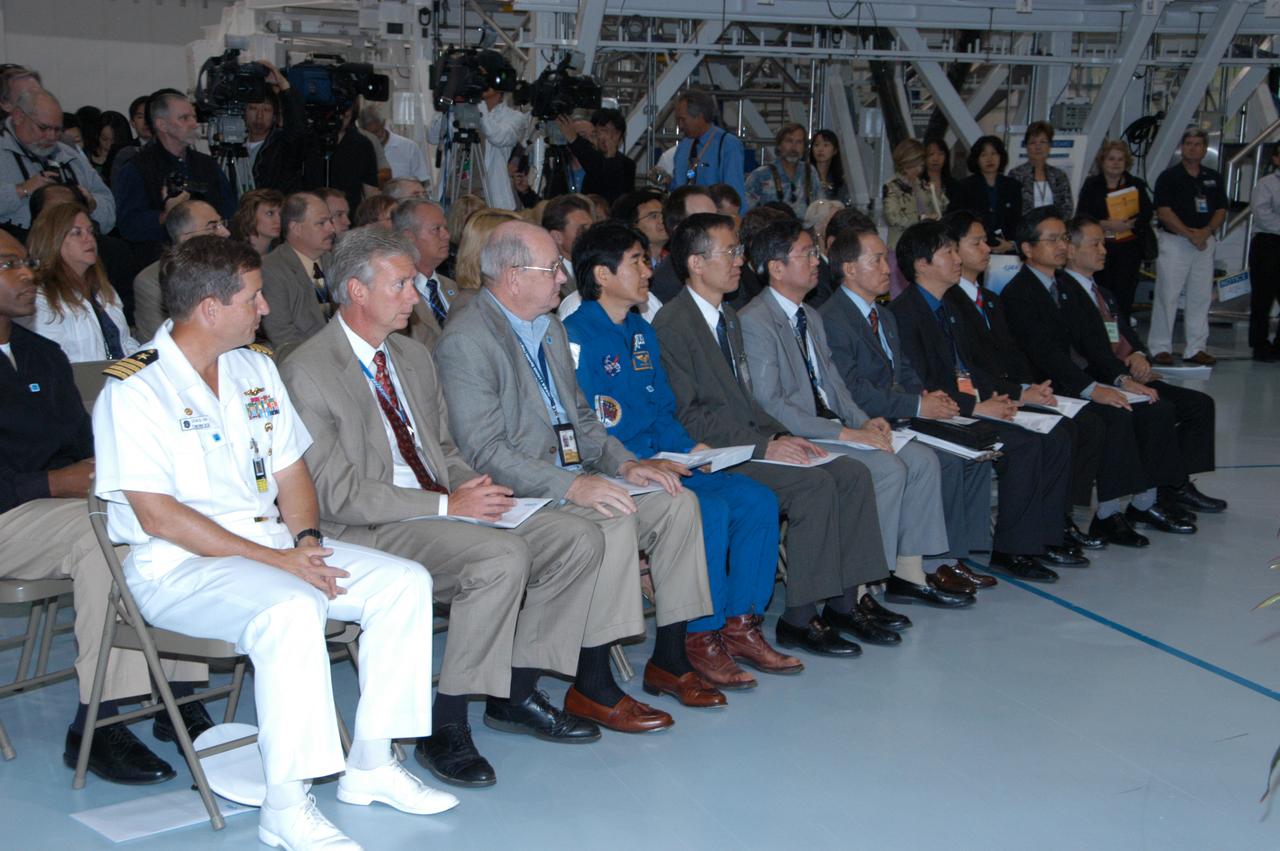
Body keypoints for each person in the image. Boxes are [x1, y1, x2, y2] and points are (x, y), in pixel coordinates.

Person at [92, 236, 458, 850]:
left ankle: (371, 764)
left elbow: (291, 472)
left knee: (403, 583)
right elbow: (158, 516)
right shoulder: (135, 390)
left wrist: (308, 542)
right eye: (254, 296)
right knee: (292, 608)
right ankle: (286, 805)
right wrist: (282, 562)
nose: (266, 308)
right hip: (180, 571)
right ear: (210, 308)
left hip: (273, 548)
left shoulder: (254, 368)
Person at [280, 227, 604, 787]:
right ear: (357, 292)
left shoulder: (410, 356)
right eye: (401, 284)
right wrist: (447, 504)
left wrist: (476, 491)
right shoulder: (307, 369)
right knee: (499, 558)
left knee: (576, 537)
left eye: (411, 282)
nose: (415, 295)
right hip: (366, 527)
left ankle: (515, 690)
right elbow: (335, 492)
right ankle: (445, 724)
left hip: (436, 509)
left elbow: (444, 451)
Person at [435, 220, 722, 731]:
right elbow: (484, 450)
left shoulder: (547, 327)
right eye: (551, 269)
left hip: (574, 471)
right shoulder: (468, 339)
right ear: (511, 276)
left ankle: (670, 658)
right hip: (524, 489)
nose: (563, 279)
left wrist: (625, 463)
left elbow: (583, 420)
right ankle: (592, 684)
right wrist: (572, 485)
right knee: (609, 520)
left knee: (676, 500)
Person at [0, 228, 211, 787]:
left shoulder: (39, 353)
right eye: (7, 265)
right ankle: (99, 720)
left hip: (54, 506)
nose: (26, 274)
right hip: (14, 512)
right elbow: (56, 473)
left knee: (158, 516)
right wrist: (49, 483)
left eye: (24, 261)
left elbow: (81, 444)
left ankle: (177, 691)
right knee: (103, 536)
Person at [565, 221, 801, 687]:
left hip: (667, 457)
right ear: (602, 275)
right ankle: (699, 634)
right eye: (635, 260)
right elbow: (582, 426)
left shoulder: (641, 332)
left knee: (756, 500)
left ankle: (741, 624)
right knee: (705, 510)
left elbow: (662, 408)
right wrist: (636, 462)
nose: (649, 269)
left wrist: (694, 448)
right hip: (616, 467)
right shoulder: (575, 336)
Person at [653, 212, 891, 656]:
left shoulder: (726, 316)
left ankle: (846, 603)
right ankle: (800, 617)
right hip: (718, 451)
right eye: (729, 251)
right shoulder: (673, 325)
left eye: (739, 250)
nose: (740, 261)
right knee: (814, 485)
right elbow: (690, 415)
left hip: (749, 438)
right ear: (696, 263)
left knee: (851, 473)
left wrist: (781, 434)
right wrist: (766, 445)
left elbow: (750, 402)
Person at [739, 219, 968, 616]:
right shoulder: (755, 321)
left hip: (832, 425)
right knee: (886, 468)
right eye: (807, 254)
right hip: (798, 434)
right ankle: (856, 588)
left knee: (922, 460)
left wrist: (864, 422)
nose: (816, 261)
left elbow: (835, 387)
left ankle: (907, 574)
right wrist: (844, 433)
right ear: (776, 268)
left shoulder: (808, 315)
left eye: (815, 253)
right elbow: (772, 403)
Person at [1000, 209, 1223, 545]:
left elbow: (1093, 340)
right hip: (1046, 387)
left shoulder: (1062, 286)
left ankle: (1145, 501)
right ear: (1027, 249)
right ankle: (1101, 515)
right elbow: (1046, 355)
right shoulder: (1019, 293)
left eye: (1064, 238)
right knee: (1114, 416)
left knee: (1149, 404)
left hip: (1075, 379)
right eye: (1053, 240)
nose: (1062, 246)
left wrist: (1121, 380)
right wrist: (1094, 389)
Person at [888, 220, 1077, 582]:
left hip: (972, 401)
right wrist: (977, 408)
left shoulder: (951, 305)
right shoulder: (904, 314)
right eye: (948, 252)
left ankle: (1045, 536)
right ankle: (1011, 550)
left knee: (1056, 431)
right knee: (1022, 444)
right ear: (922, 264)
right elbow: (925, 384)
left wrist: (1019, 393)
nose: (957, 258)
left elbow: (976, 367)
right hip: (941, 412)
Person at [818, 225, 1000, 586]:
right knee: (941, 459)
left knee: (975, 445)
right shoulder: (832, 319)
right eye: (876, 261)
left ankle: (949, 557)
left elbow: (904, 370)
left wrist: (930, 399)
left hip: (899, 416)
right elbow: (853, 392)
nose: (888, 269)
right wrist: (917, 404)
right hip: (866, 420)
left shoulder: (883, 315)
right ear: (850, 268)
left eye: (886, 260)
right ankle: (924, 565)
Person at [941, 209, 1107, 553]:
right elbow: (969, 367)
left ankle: (1052, 529)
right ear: (952, 249)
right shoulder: (948, 301)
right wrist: (1016, 393)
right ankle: (1020, 543)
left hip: (1007, 391)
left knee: (1067, 427)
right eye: (977, 242)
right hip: (979, 399)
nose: (988, 248)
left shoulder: (989, 299)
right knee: (1043, 438)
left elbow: (1011, 356)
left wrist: (1030, 388)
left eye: (987, 241)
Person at [1057, 215, 1224, 523]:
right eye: (1095, 244)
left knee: (1199, 405)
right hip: (1102, 377)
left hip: (1126, 372)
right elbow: (1083, 351)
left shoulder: (1103, 293)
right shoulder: (1064, 293)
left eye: (1103, 243)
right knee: (1158, 408)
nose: (1103, 250)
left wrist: (1138, 356)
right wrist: (1121, 375)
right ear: (1071, 250)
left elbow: (1128, 337)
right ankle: (1151, 496)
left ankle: (1175, 483)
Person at [112, 91, 235, 267]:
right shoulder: (137, 168)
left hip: (212, 260)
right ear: (162, 125)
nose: (193, 124)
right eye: (184, 118)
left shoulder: (206, 165)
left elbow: (229, 210)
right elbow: (128, 226)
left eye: (193, 117)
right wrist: (165, 216)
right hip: (162, 265)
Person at [1148, 127, 1228, 366]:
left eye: (1198, 144)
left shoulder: (1213, 177)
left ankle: (1195, 348)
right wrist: (1188, 234)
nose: (1193, 147)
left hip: (1204, 242)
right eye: (1189, 143)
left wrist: (1205, 232)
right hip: (1175, 241)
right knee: (1167, 295)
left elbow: (1221, 209)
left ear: (1204, 149)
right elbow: (1163, 211)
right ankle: (1160, 347)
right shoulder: (1169, 177)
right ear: (1182, 148)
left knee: (1200, 297)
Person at [21, 203, 138, 362]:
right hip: (79, 383)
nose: (89, 239)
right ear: (52, 240)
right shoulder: (40, 298)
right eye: (77, 233)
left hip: (118, 380)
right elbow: (51, 361)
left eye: (90, 231)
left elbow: (124, 342)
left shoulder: (103, 288)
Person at [1, 88, 116, 238]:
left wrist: (92, 204)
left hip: (76, 245)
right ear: (18, 117)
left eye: (57, 130)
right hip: (18, 248)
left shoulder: (70, 155)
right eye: (43, 128)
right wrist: (20, 190)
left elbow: (110, 212)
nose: (51, 136)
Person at [1075, 140, 1154, 323]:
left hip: (1128, 249)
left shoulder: (1136, 184)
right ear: (1103, 162)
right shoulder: (1092, 185)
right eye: (1111, 159)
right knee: (1101, 293)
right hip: (1100, 247)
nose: (1116, 163)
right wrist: (1104, 224)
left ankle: (1123, 339)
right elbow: (1082, 214)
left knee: (1124, 297)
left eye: (1120, 159)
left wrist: (1131, 223)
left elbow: (1148, 212)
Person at [133, 200, 230, 341]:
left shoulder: (232, 270)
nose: (226, 233)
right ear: (186, 238)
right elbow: (161, 343)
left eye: (222, 224)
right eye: (213, 227)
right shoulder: (152, 282)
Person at [258, 191, 335, 357]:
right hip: (303, 362)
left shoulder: (336, 261)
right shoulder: (271, 269)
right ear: (296, 228)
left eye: (330, 221)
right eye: (321, 223)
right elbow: (282, 335)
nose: (331, 228)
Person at [393, 198, 472, 350]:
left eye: (445, 228)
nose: (446, 236)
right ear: (409, 237)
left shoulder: (453, 287)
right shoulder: (397, 295)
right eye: (436, 229)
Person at [670, 90, 746, 212]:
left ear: (700, 117)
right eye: (678, 120)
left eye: (682, 120)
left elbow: (735, 194)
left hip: (712, 219)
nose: (680, 126)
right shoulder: (683, 146)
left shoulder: (727, 145)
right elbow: (677, 185)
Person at [235, 61, 304, 196]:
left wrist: (283, 85)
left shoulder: (283, 148)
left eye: (266, 110)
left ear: (274, 116)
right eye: (253, 108)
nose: (259, 116)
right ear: (244, 112)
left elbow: (297, 130)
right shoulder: (233, 146)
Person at [299, 105, 378, 216]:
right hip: (310, 217)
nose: (340, 116)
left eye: (345, 111)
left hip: (349, 219)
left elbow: (370, 192)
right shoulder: (307, 141)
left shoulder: (362, 144)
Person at [948, 135, 1021, 253]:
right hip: (974, 249)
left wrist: (1011, 245)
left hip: (1007, 251)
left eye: (994, 154)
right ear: (976, 159)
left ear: (1001, 157)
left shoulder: (1013, 186)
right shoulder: (964, 187)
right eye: (983, 155)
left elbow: (1018, 222)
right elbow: (955, 219)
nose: (989, 159)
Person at [648, 185, 717, 303]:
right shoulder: (667, 284)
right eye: (706, 221)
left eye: (717, 219)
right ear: (680, 231)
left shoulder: (723, 264)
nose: (718, 228)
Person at [552, 108, 636, 204]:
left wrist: (610, 156)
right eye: (604, 130)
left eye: (616, 133)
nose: (609, 136)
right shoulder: (572, 161)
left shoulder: (627, 165)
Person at [745, 123, 822, 218]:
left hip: (804, 230)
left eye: (799, 142)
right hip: (772, 229)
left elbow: (820, 207)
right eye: (789, 141)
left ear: (804, 147)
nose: (794, 147)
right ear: (779, 145)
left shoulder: (810, 172)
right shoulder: (761, 175)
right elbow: (745, 210)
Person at [474, 83, 531, 211]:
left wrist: (479, 105)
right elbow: (433, 136)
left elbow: (497, 137)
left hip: (494, 199)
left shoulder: (515, 117)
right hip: (460, 191)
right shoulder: (463, 109)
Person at [883, 139, 947, 249]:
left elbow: (942, 208)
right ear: (904, 163)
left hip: (923, 243)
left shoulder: (922, 184)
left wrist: (936, 192)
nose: (919, 169)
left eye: (921, 165)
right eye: (914, 165)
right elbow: (893, 218)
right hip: (901, 244)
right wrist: (921, 218)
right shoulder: (891, 186)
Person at [1248, 143, 1280, 361]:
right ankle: (1260, 346)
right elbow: (1262, 214)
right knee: (1263, 298)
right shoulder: (1266, 184)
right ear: (1276, 159)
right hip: (1269, 243)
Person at [1007, 121, 1074, 220]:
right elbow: (1012, 209)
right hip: (1026, 231)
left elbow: (1067, 208)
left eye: (1043, 142)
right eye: (1033, 142)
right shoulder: (1016, 174)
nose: (1038, 147)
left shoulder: (1059, 175)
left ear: (1049, 145)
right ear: (1026, 146)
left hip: (1055, 229)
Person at [359, 106, 430, 184]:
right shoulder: (359, 149)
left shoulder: (409, 147)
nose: (374, 137)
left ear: (383, 124)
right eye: (369, 134)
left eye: (376, 132)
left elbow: (422, 181)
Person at [542, 194, 594, 294]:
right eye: (582, 230)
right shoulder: (547, 278)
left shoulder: (601, 263)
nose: (592, 235)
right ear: (557, 237)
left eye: (592, 228)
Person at [611, 189, 667, 264]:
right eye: (654, 216)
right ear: (633, 225)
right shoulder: (626, 265)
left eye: (664, 214)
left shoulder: (671, 260)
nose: (663, 220)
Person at [230, 188, 284, 256]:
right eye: (270, 213)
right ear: (250, 216)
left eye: (281, 214)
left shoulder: (281, 254)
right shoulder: (233, 257)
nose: (279, 220)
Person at [809, 129, 849, 204]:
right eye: (816, 145)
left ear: (835, 150)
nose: (820, 149)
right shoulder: (806, 174)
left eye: (826, 145)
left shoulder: (840, 180)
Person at [924, 136, 958, 202]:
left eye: (941, 154)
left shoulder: (954, 185)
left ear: (946, 157)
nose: (936, 159)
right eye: (931, 154)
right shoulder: (918, 183)